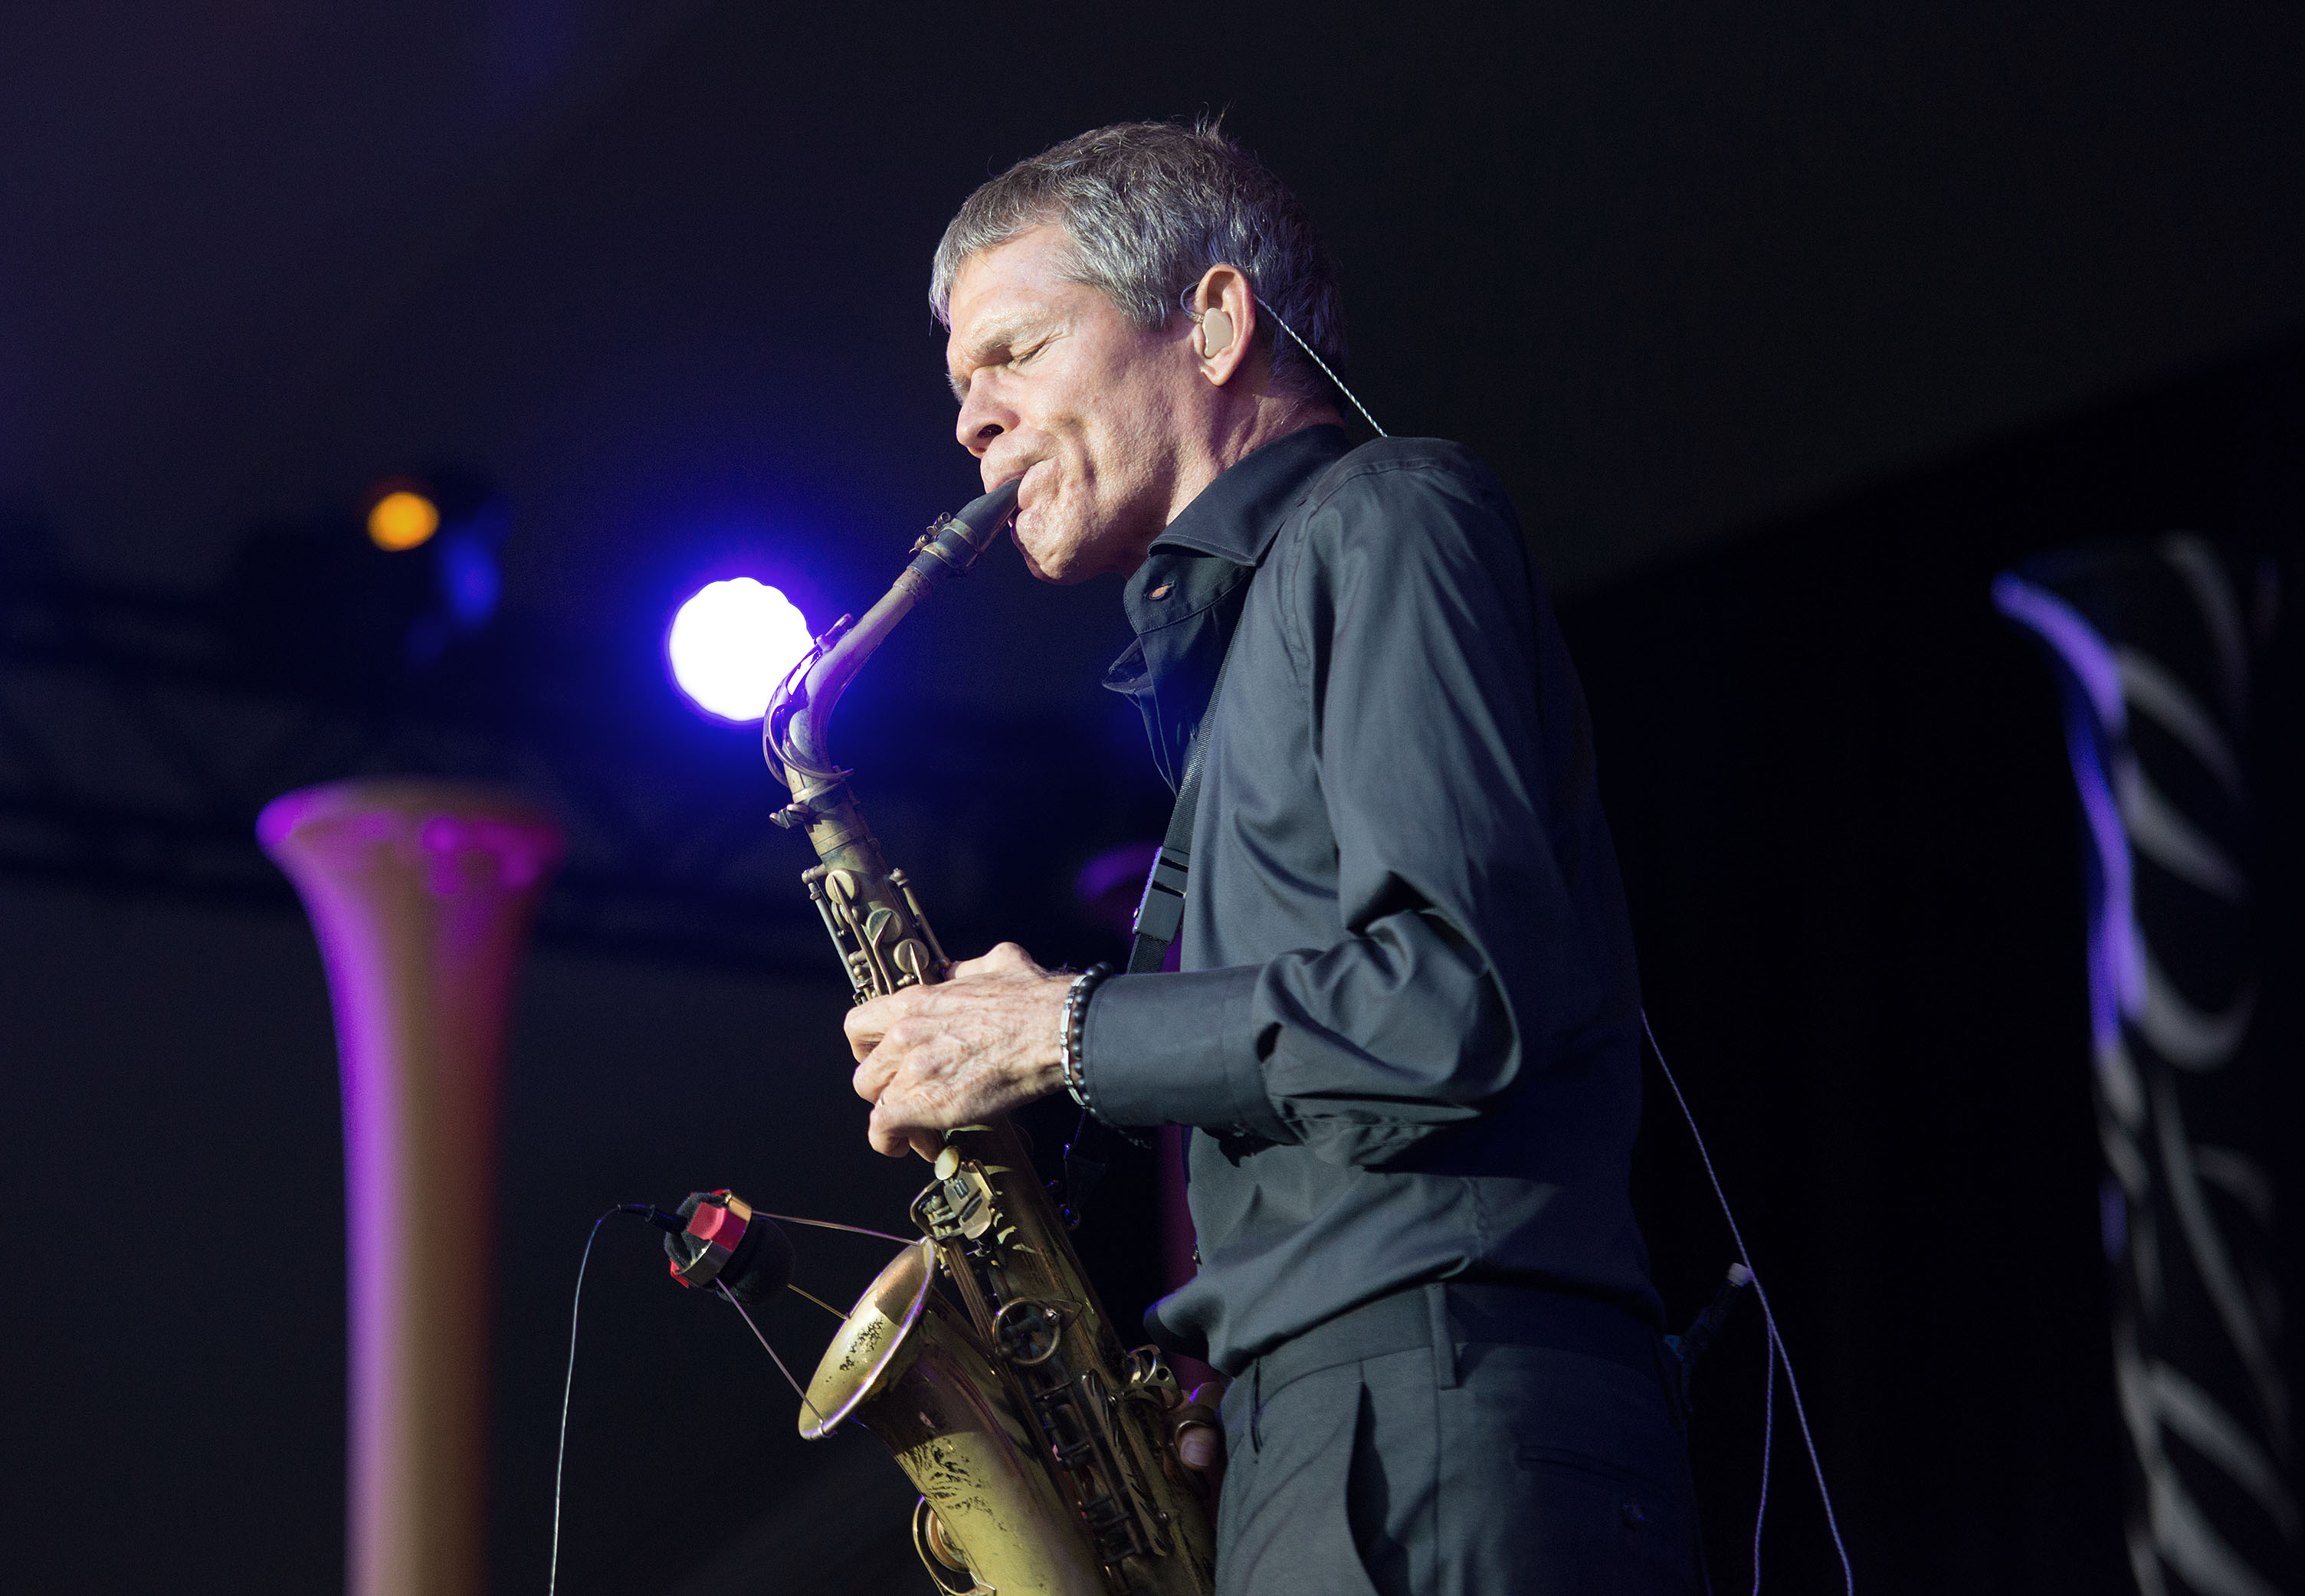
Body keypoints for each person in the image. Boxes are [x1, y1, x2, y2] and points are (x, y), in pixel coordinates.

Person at [845, 120, 1704, 1596]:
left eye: (1020, 353)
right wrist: (1218, 1366)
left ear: (1219, 321)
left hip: (1434, 1411)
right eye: (961, 387)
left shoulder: (1389, 517)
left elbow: (1452, 1001)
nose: (974, 423)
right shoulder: (1238, 655)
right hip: (1332, 1426)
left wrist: (1056, 1028)